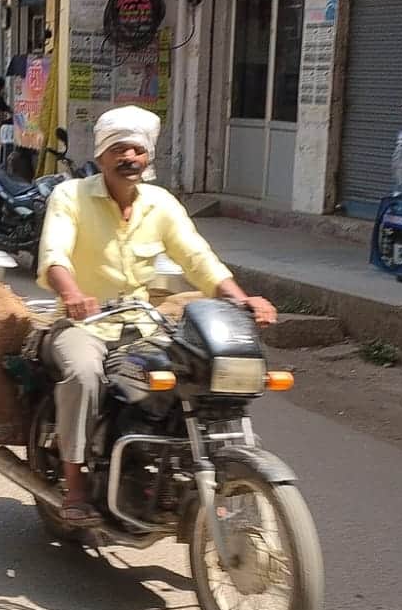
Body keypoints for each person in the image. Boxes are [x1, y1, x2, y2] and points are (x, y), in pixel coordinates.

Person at [36, 105, 278, 527]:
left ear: (148, 157)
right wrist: (72, 292)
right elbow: (55, 253)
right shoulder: (70, 196)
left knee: (197, 371)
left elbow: (198, 258)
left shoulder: (160, 203)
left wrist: (242, 299)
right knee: (84, 373)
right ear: (102, 155)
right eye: (118, 149)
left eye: (137, 150)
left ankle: (184, 465)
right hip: (83, 325)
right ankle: (75, 484)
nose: (129, 157)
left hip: (144, 324)